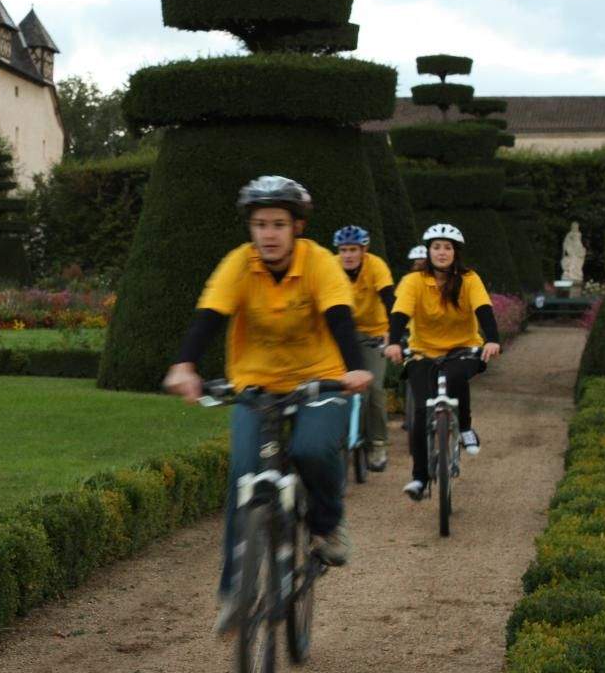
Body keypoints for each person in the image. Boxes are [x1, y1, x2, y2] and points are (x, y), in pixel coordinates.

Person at [163, 175, 372, 633]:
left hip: (322, 380)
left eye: (279, 223)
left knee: (313, 451)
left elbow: (340, 316)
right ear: (251, 228)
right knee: (243, 474)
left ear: (297, 226)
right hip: (257, 385)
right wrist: (185, 365)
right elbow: (209, 316)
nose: (269, 234)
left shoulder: (319, 262)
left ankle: (326, 524)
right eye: (260, 224)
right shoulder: (238, 264)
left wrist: (354, 369)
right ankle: (234, 592)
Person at [384, 223, 501, 500]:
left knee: (456, 374)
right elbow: (400, 312)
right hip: (423, 352)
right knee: (422, 414)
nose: (442, 252)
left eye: (447, 247)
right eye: (436, 247)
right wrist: (393, 342)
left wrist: (493, 339)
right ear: (428, 251)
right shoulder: (413, 281)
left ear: (455, 253)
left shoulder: (470, 278)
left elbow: (483, 309)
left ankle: (465, 426)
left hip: (462, 348)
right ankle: (419, 479)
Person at [332, 223, 394, 472]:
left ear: (363, 250)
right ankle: (334, 440)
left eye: (353, 250)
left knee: (374, 388)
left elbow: (389, 298)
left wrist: (395, 334)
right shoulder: (331, 267)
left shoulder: (376, 266)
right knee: (331, 388)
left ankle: (377, 442)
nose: (347, 255)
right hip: (341, 334)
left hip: (373, 334)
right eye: (343, 250)